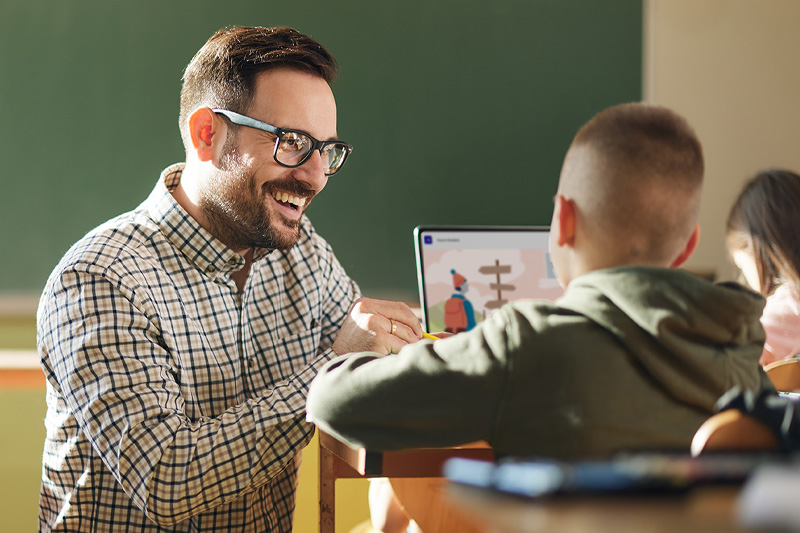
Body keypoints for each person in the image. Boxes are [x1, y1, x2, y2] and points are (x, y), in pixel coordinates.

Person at [36, 26, 423, 532]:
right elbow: (165, 480)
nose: (315, 175)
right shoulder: (100, 279)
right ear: (207, 134)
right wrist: (334, 372)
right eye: (292, 142)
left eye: (326, 150)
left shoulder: (302, 254)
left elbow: (372, 369)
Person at [306, 102, 773, 462]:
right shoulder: (743, 357)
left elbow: (332, 402)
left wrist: (354, 353)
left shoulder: (527, 345)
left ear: (564, 220)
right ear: (687, 247)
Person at [726, 169, 800, 367]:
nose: (744, 279)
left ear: (759, 252)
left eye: (742, 267)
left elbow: (730, 365)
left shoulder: (784, 309)